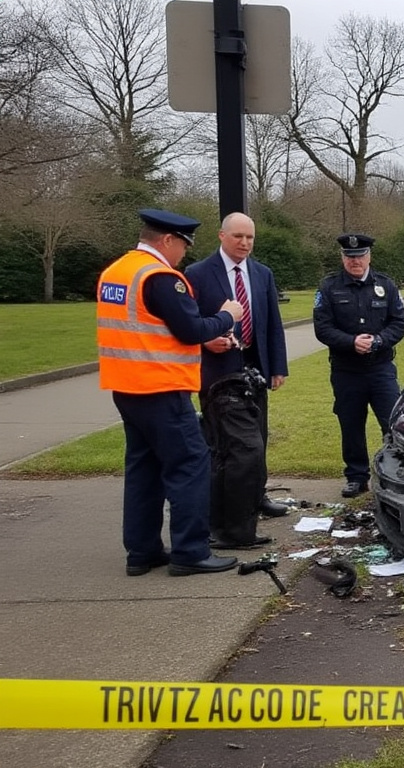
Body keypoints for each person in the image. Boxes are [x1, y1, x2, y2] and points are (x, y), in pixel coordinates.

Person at [96, 209, 243, 577]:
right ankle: (190, 552)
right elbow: (190, 328)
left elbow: (151, 326)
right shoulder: (161, 277)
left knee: (143, 469)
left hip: (127, 386)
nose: (184, 255)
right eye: (183, 246)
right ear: (168, 240)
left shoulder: (116, 272)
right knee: (190, 465)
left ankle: (141, 552)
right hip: (161, 387)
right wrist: (227, 316)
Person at [183, 214, 291, 547]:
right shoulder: (197, 274)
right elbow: (188, 323)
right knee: (232, 448)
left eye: (250, 238)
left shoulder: (261, 274)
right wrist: (204, 340)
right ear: (222, 235)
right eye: (238, 237)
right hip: (218, 375)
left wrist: (278, 366)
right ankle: (225, 521)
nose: (244, 243)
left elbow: (272, 322)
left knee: (257, 440)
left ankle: (254, 498)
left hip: (254, 371)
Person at [313, 234, 404, 498]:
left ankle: (396, 472)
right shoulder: (329, 287)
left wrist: (377, 341)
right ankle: (356, 476)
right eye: (350, 257)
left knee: (392, 422)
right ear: (343, 258)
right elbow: (322, 328)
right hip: (346, 370)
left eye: (360, 256)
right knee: (351, 424)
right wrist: (351, 342)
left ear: (369, 257)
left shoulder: (386, 286)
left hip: (380, 368)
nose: (355, 261)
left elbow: (398, 323)